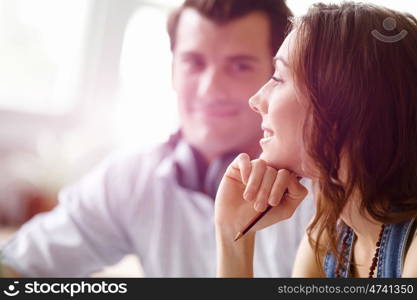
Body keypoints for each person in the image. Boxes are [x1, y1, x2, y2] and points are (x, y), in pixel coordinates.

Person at [0, 0, 314, 277]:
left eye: (239, 66)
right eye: (194, 62)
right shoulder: (132, 177)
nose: (210, 89)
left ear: (274, 79)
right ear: (172, 70)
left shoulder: (321, 195)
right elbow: (22, 263)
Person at [215, 2, 417, 278]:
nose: (256, 100)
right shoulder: (329, 235)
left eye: (278, 78)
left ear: (343, 102)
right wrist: (232, 235)